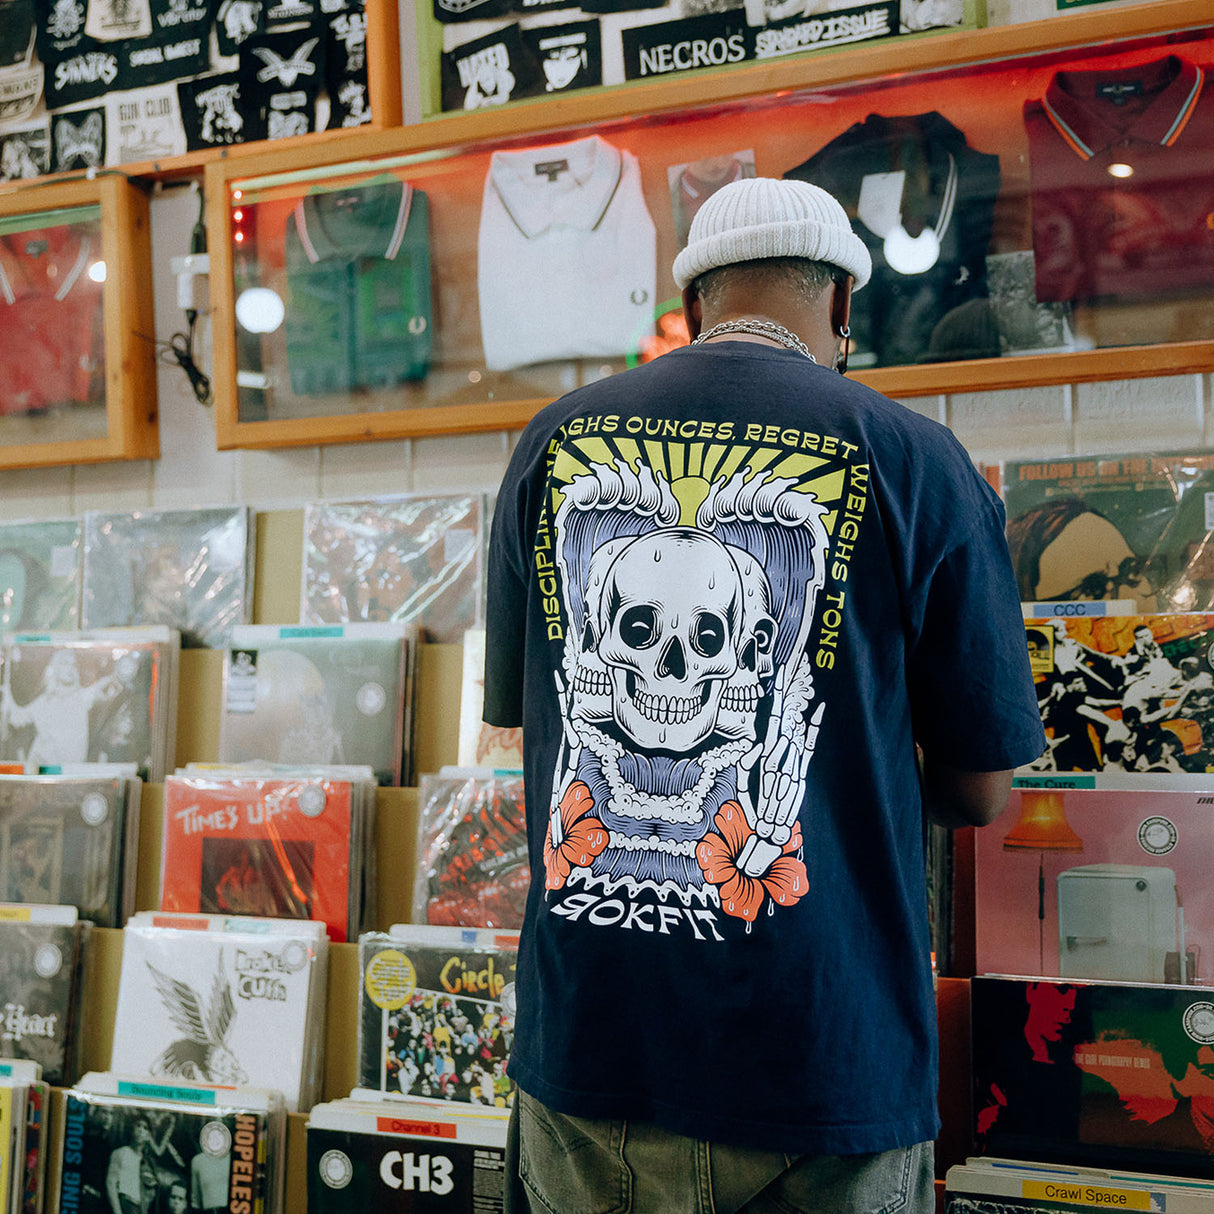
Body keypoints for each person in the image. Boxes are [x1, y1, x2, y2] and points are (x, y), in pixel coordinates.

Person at [483, 176, 1045, 1214]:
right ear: (841, 305)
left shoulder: (550, 442)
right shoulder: (918, 461)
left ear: (691, 301)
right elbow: (977, 790)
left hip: (594, 1050)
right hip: (823, 1057)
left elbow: (532, 716)